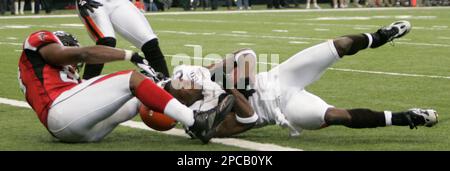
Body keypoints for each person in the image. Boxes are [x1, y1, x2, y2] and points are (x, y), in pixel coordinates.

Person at [155, 21, 438, 141]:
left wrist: (223, 71)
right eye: (184, 86)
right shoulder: (198, 120)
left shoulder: (203, 77)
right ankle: (405, 117)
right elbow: (250, 120)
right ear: (180, 102)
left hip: (279, 76)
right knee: (334, 115)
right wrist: (232, 87)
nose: (190, 81)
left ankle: (379, 37)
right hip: (281, 109)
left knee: (337, 44)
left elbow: (247, 53)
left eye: (185, 78)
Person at [17, 30, 234, 143]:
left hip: (81, 128)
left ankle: (191, 115)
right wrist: (130, 55)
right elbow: (82, 53)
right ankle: (196, 122)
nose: (75, 65)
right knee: (131, 78)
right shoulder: (37, 42)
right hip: (60, 112)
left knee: (141, 90)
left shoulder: (53, 77)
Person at [75, 0, 171, 81]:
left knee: (150, 43)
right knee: (107, 41)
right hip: (92, 1)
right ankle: (85, 85)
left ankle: (166, 85)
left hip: (118, 2)